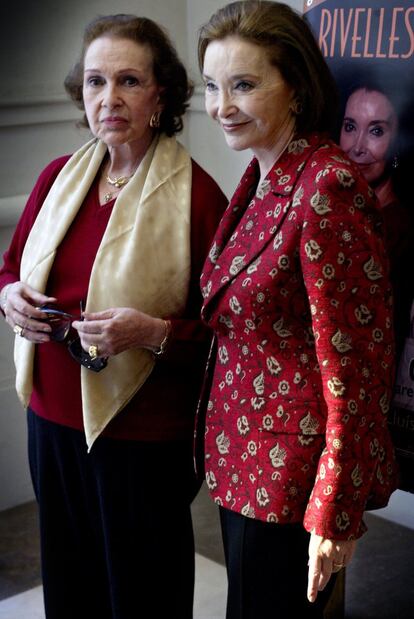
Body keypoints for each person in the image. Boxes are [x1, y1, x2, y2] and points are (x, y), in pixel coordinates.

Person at [0, 14, 227, 619]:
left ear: (162, 95)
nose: (109, 97)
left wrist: (151, 334)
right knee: (70, 583)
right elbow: (10, 269)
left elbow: (226, 336)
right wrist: (9, 297)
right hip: (51, 419)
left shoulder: (199, 197)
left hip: (142, 435)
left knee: (144, 591)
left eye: (129, 80)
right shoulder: (58, 176)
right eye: (96, 81)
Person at [197, 2, 397, 617]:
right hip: (242, 461)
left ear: (296, 89)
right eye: (212, 86)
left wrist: (334, 510)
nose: (221, 105)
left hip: (292, 480)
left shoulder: (326, 186)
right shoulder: (264, 171)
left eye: (244, 85)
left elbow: (356, 369)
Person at [340, 82, 414, 490]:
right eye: (350, 126)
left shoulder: (396, 227)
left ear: (397, 141)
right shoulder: (341, 210)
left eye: (376, 130)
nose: (357, 146)